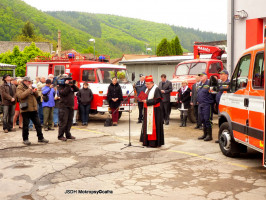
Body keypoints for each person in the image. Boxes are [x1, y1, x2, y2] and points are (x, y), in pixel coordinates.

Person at [16, 77, 49, 145]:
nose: (30, 83)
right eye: (28, 82)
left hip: (33, 108)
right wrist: (29, 90)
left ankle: (40, 138)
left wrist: (34, 92)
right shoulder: (20, 87)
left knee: (38, 124)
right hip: (26, 109)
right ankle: (25, 139)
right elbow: (21, 96)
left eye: (30, 82)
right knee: (26, 125)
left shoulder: (30, 86)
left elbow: (37, 96)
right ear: (25, 81)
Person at [140, 75, 164, 147]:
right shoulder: (147, 89)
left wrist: (147, 101)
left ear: (152, 83)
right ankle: (146, 141)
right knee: (147, 126)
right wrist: (141, 98)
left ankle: (153, 143)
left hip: (155, 111)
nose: (146, 85)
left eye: (147, 84)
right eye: (146, 84)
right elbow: (143, 97)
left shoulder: (156, 89)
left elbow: (157, 100)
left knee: (154, 127)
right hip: (148, 110)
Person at [57, 76, 79, 141]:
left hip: (70, 106)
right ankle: (60, 135)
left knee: (69, 122)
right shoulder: (60, 86)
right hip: (63, 106)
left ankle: (68, 134)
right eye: (67, 80)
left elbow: (77, 90)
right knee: (63, 122)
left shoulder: (70, 87)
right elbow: (63, 93)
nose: (69, 82)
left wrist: (73, 85)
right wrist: (67, 85)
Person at [197, 72, 215, 141]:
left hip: (207, 104)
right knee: (202, 119)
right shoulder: (200, 84)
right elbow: (199, 93)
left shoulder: (209, 83)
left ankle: (209, 135)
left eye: (202, 76)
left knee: (207, 119)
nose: (200, 77)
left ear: (206, 77)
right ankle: (205, 134)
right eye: (200, 76)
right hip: (200, 104)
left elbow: (213, 93)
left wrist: (210, 101)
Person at [214, 70, 230, 143]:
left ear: (226, 75)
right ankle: (221, 137)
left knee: (224, 122)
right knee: (220, 122)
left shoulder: (228, 83)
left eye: (222, 74)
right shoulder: (220, 83)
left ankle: (224, 137)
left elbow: (221, 89)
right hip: (219, 105)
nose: (220, 75)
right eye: (220, 74)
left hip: (225, 105)